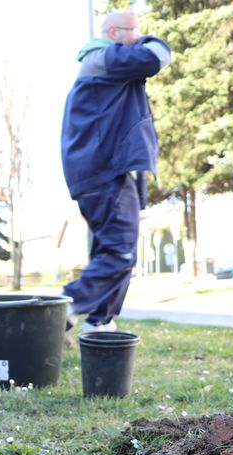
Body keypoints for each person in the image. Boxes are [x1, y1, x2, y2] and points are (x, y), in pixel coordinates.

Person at [60, 11, 172, 333]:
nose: (138, 36)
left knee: (119, 254)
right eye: (133, 30)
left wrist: (139, 199)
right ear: (113, 31)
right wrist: (148, 41)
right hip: (103, 173)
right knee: (120, 252)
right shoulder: (102, 58)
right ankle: (65, 307)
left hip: (105, 173)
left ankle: (100, 323)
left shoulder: (108, 65)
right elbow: (158, 56)